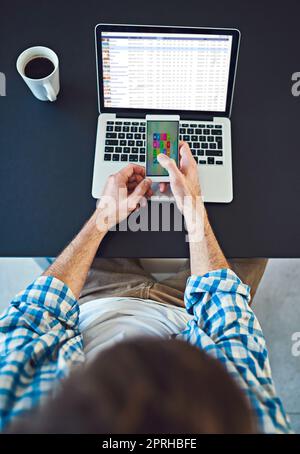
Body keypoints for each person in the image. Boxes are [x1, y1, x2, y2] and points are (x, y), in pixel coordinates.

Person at [0, 142, 291, 434]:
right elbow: (226, 319)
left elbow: (37, 311)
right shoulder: (250, 423)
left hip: (94, 299)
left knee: (37, 230)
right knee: (260, 238)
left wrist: (102, 218)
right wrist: (193, 209)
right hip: (190, 315)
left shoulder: (12, 408)